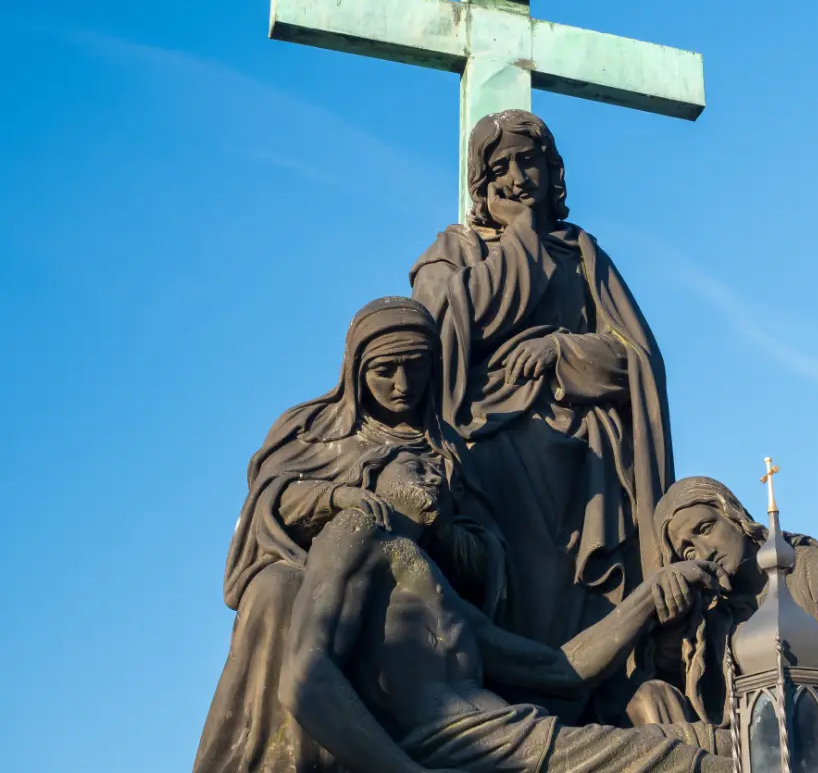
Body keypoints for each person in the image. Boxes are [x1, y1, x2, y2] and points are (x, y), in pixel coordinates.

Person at [194, 297, 503, 773]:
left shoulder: (447, 454)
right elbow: (271, 499)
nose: (402, 385)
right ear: (357, 370)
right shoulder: (313, 430)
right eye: (386, 370)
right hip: (314, 575)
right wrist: (336, 497)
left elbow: (485, 558)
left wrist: (438, 526)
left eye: (416, 368)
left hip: (405, 601)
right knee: (277, 591)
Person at [279, 449, 732, 773]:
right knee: (688, 760)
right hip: (475, 744)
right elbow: (305, 676)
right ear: (371, 478)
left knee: (701, 743)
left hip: (510, 735)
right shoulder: (359, 527)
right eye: (415, 465)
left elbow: (561, 669)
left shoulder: (430, 584)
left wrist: (649, 596)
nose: (434, 476)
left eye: (441, 473)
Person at [410, 110, 674, 662]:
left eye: (527, 161)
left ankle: (594, 681)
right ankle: (521, 680)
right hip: (489, 434)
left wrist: (561, 350)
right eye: (499, 166)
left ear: (549, 168)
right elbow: (436, 333)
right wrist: (522, 243)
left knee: (588, 557)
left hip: (586, 449)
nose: (516, 177)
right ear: (482, 183)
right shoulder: (453, 251)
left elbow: (637, 360)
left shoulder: (583, 255)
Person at [637, 477, 818, 773]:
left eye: (705, 528)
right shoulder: (715, 616)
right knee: (651, 705)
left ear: (734, 516)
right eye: (687, 551)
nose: (704, 550)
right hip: (750, 748)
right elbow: (705, 704)